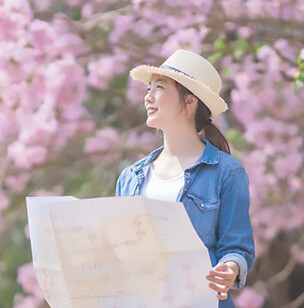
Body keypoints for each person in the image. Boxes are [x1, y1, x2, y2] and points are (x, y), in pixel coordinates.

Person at [115, 49, 255, 308]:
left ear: (189, 101)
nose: (148, 97)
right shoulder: (129, 177)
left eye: (159, 87)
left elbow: (237, 247)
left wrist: (230, 267)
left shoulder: (227, 173)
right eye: (148, 88)